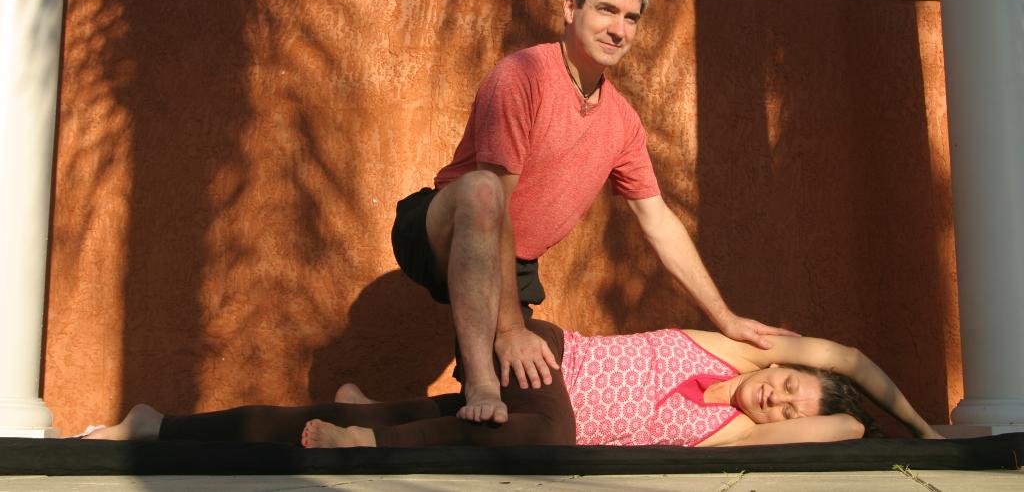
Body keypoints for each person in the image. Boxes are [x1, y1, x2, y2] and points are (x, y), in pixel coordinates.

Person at [391, 0, 795, 424]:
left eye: (631, 18)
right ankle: (481, 381)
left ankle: (370, 414)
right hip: (441, 227)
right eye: (606, 10)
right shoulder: (523, 75)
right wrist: (509, 328)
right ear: (571, 8)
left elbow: (658, 221)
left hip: (513, 258)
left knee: (521, 408)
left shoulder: (622, 121)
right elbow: (496, 203)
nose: (618, 30)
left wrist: (725, 318)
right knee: (483, 191)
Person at [84, 318, 942, 448]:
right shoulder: (734, 347)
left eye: (789, 407)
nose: (778, 397)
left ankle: (155, 426)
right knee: (547, 436)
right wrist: (929, 427)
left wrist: (890, 427)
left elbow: (846, 423)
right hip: (540, 358)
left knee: (318, 418)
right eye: (790, 382)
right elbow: (851, 362)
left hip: (521, 415)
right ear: (783, 358)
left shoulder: (743, 432)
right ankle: (365, 435)